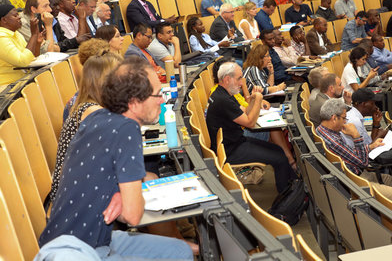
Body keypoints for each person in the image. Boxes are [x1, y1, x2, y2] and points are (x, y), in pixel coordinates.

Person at [38, 57, 194, 260]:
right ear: (134, 103)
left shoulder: (98, 117)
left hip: (95, 238)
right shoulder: (127, 130)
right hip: (75, 249)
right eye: (158, 95)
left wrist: (122, 193)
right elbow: (132, 215)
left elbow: (101, 175)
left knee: (180, 251)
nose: (163, 100)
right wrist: (128, 197)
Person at [206, 61, 296, 192]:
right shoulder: (222, 100)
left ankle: (294, 188)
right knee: (279, 158)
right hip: (230, 150)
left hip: (235, 142)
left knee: (278, 150)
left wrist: (253, 99)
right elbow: (250, 123)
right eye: (238, 79)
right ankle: (287, 196)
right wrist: (259, 99)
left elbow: (244, 113)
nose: (241, 83)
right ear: (227, 79)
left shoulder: (224, 94)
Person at [316, 98, 392, 210]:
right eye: (344, 118)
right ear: (334, 118)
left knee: (391, 179)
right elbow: (363, 162)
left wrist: (370, 147)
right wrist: (356, 136)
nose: (345, 122)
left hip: (353, 175)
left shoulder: (321, 130)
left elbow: (350, 154)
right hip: (355, 183)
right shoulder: (333, 141)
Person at [50, 53, 122, 202]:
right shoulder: (92, 112)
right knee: (146, 182)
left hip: (82, 184)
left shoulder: (90, 105)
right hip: (75, 194)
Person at [0, 4, 41, 86]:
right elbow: (23, 62)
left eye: (18, 15)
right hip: (7, 86)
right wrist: (33, 35)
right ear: (4, 20)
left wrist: (37, 43)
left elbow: (32, 57)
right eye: (15, 16)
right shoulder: (1, 38)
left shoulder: (16, 33)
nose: (19, 17)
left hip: (21, 81)